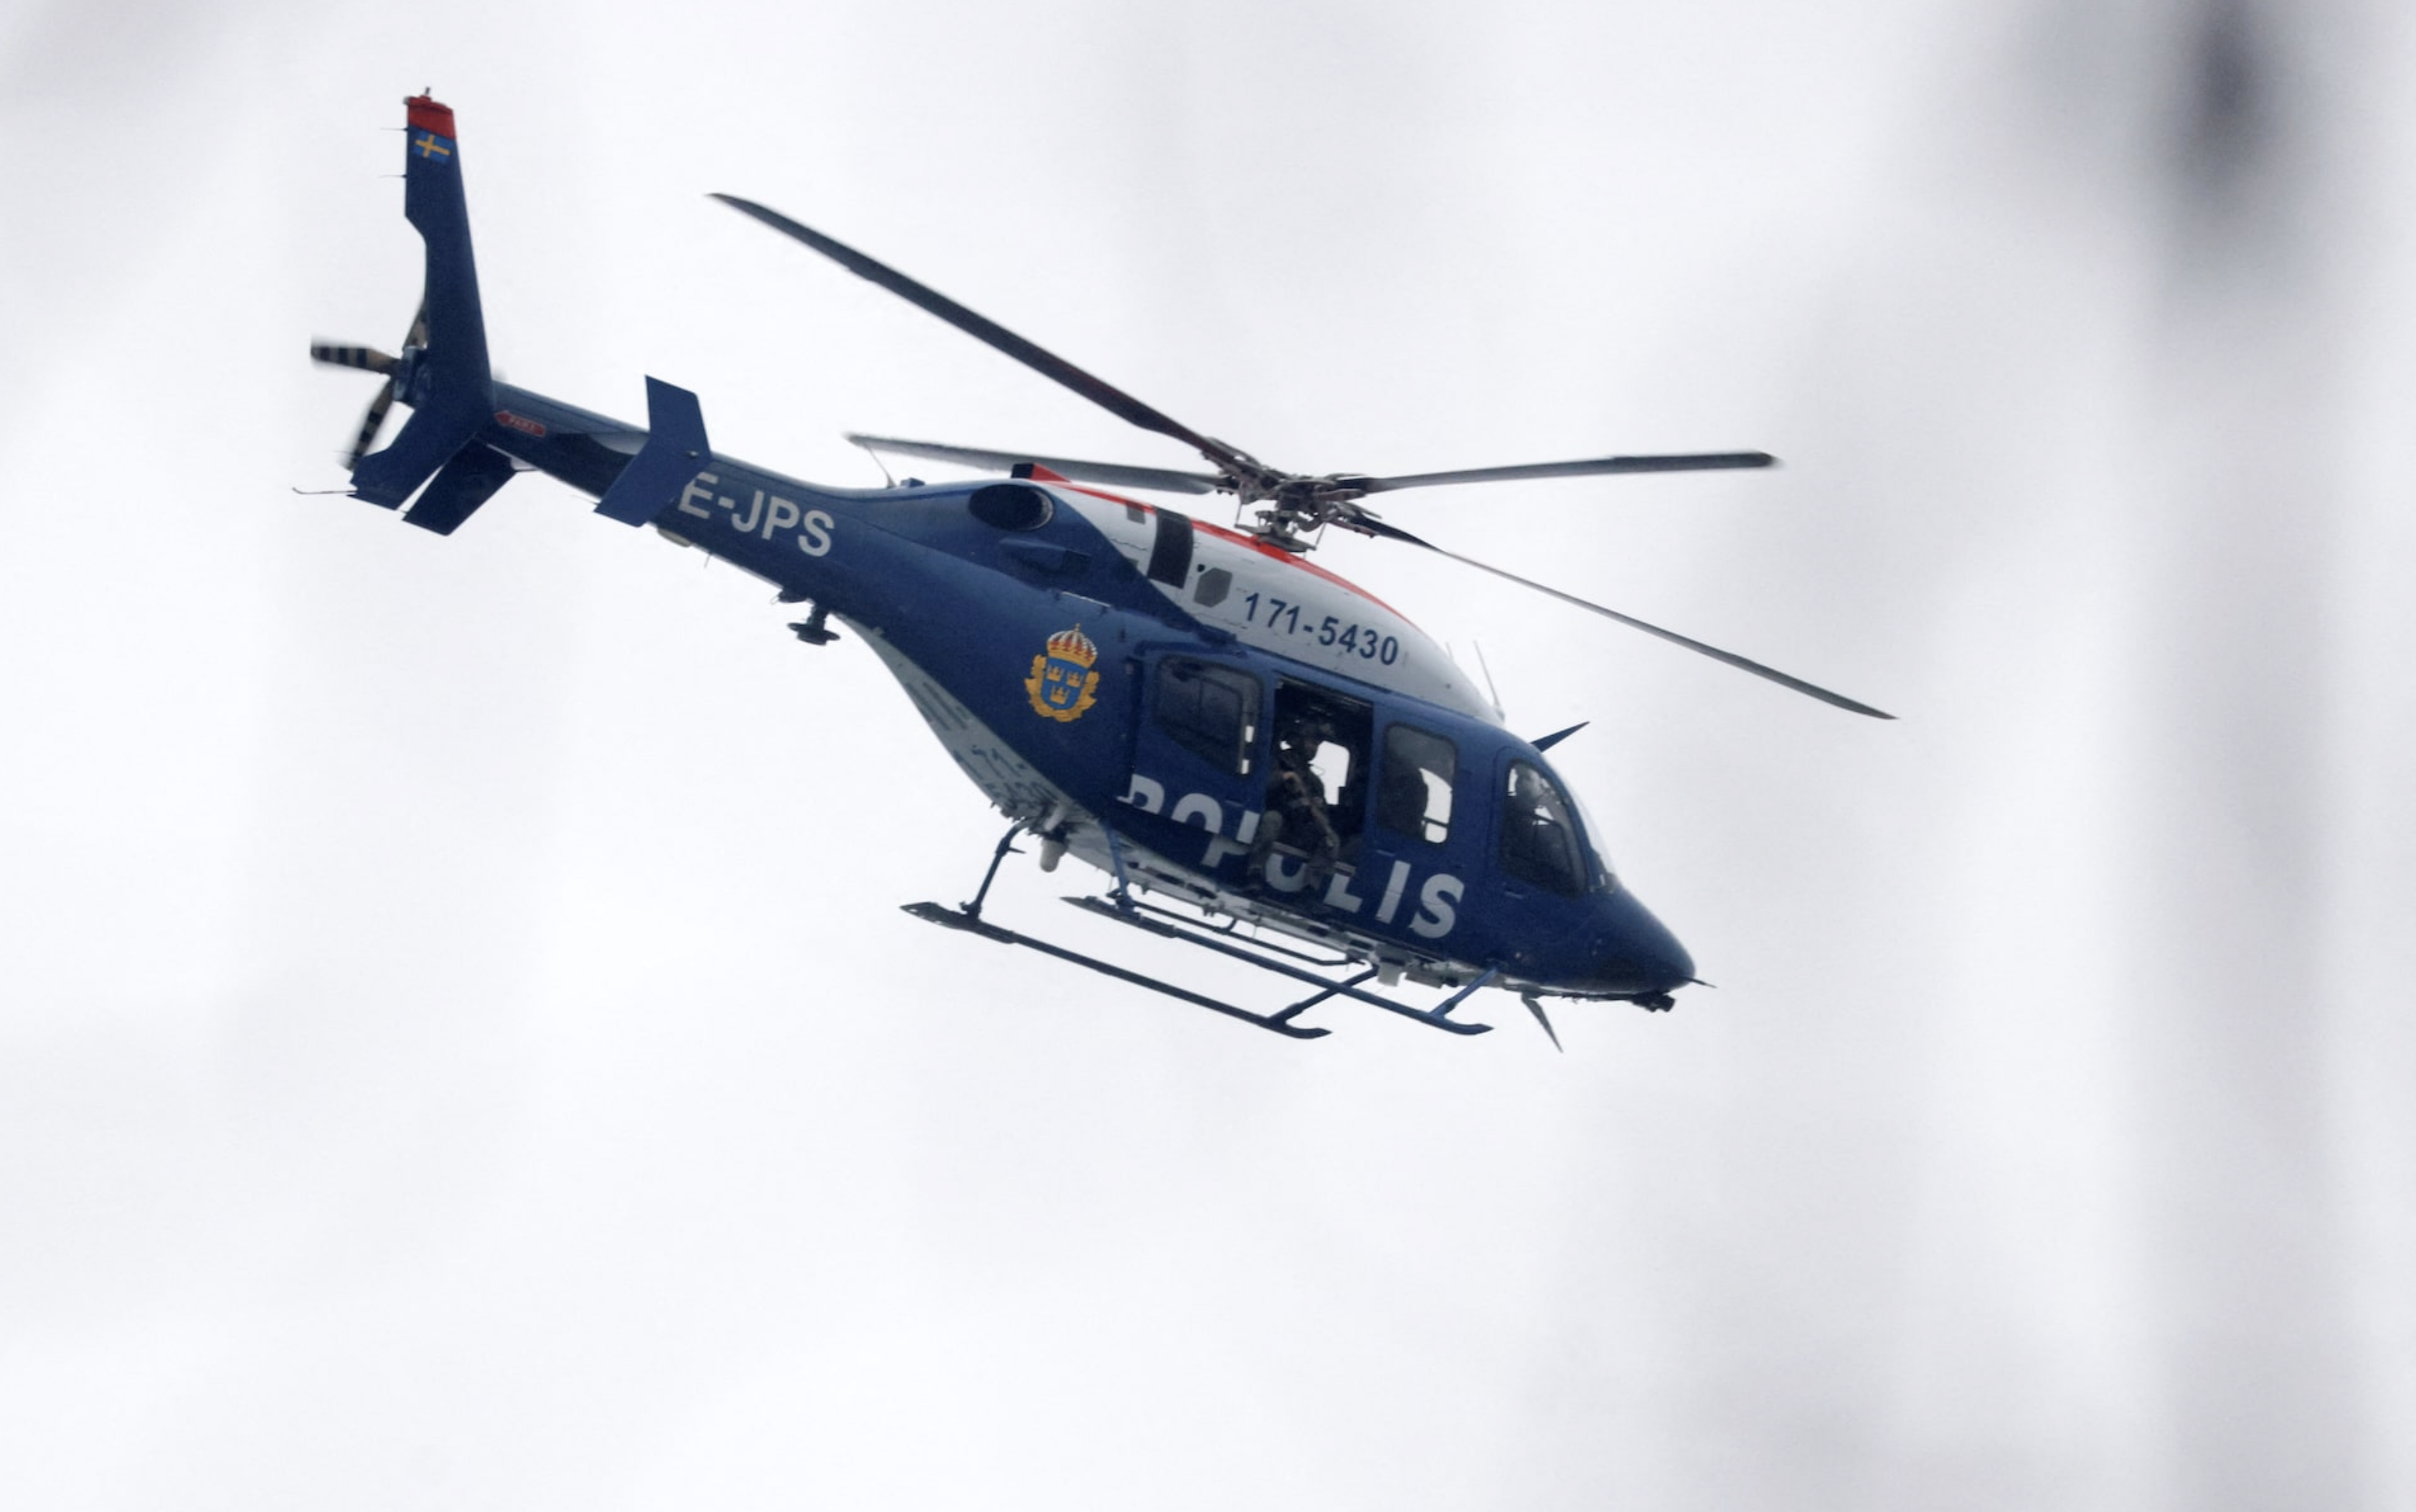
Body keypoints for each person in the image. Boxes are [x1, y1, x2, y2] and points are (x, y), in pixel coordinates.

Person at [1251, 713, 1341, 886]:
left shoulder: (1315, 782)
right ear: (1298, 740)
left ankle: (1310, 889)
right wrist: (1285, 777)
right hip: (1280, 821)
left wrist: (1316, 814)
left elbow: (1323, 817)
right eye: (1311, 741)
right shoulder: (1276, 761)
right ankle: (1255, 872)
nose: (1314, 748)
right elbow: (1259, 785)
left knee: (1332, 841)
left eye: (1317, 744)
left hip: (1300, 828)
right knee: (1271, 820)